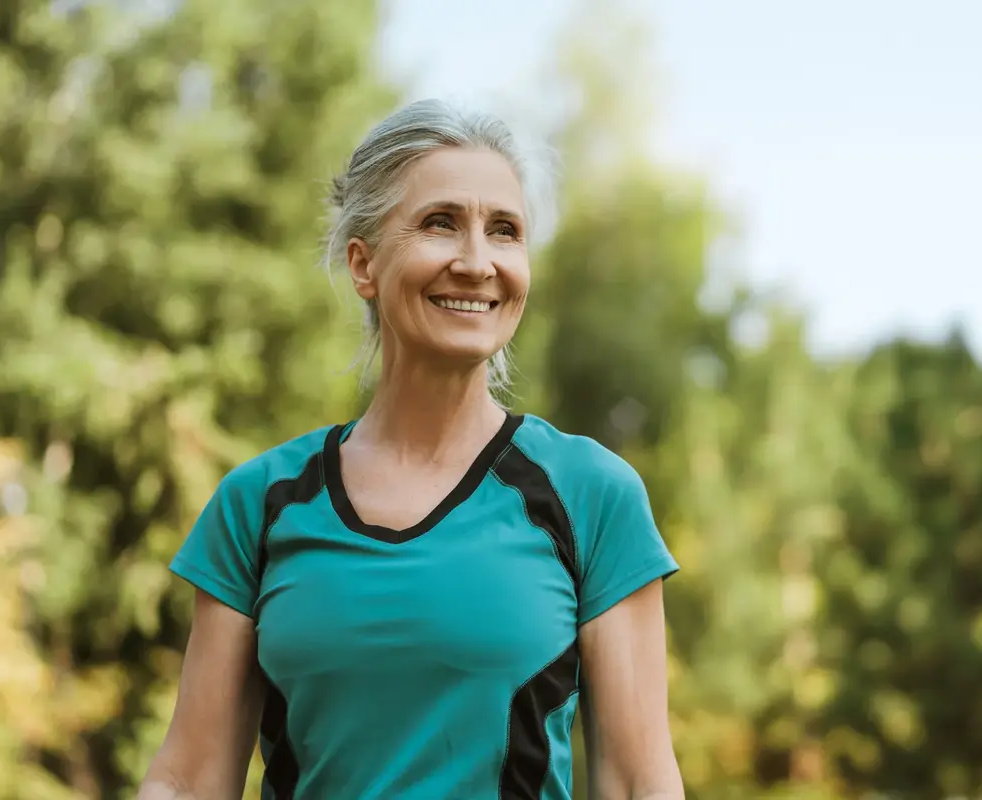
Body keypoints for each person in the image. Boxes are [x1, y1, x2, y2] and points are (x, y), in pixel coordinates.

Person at [138, 98, 684, 800]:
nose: (478, 261)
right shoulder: (260, 504)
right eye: (440, 223)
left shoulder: (591, 494)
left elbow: (640, 783)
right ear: (363, 265)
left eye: (505, 231)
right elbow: (187, 780)